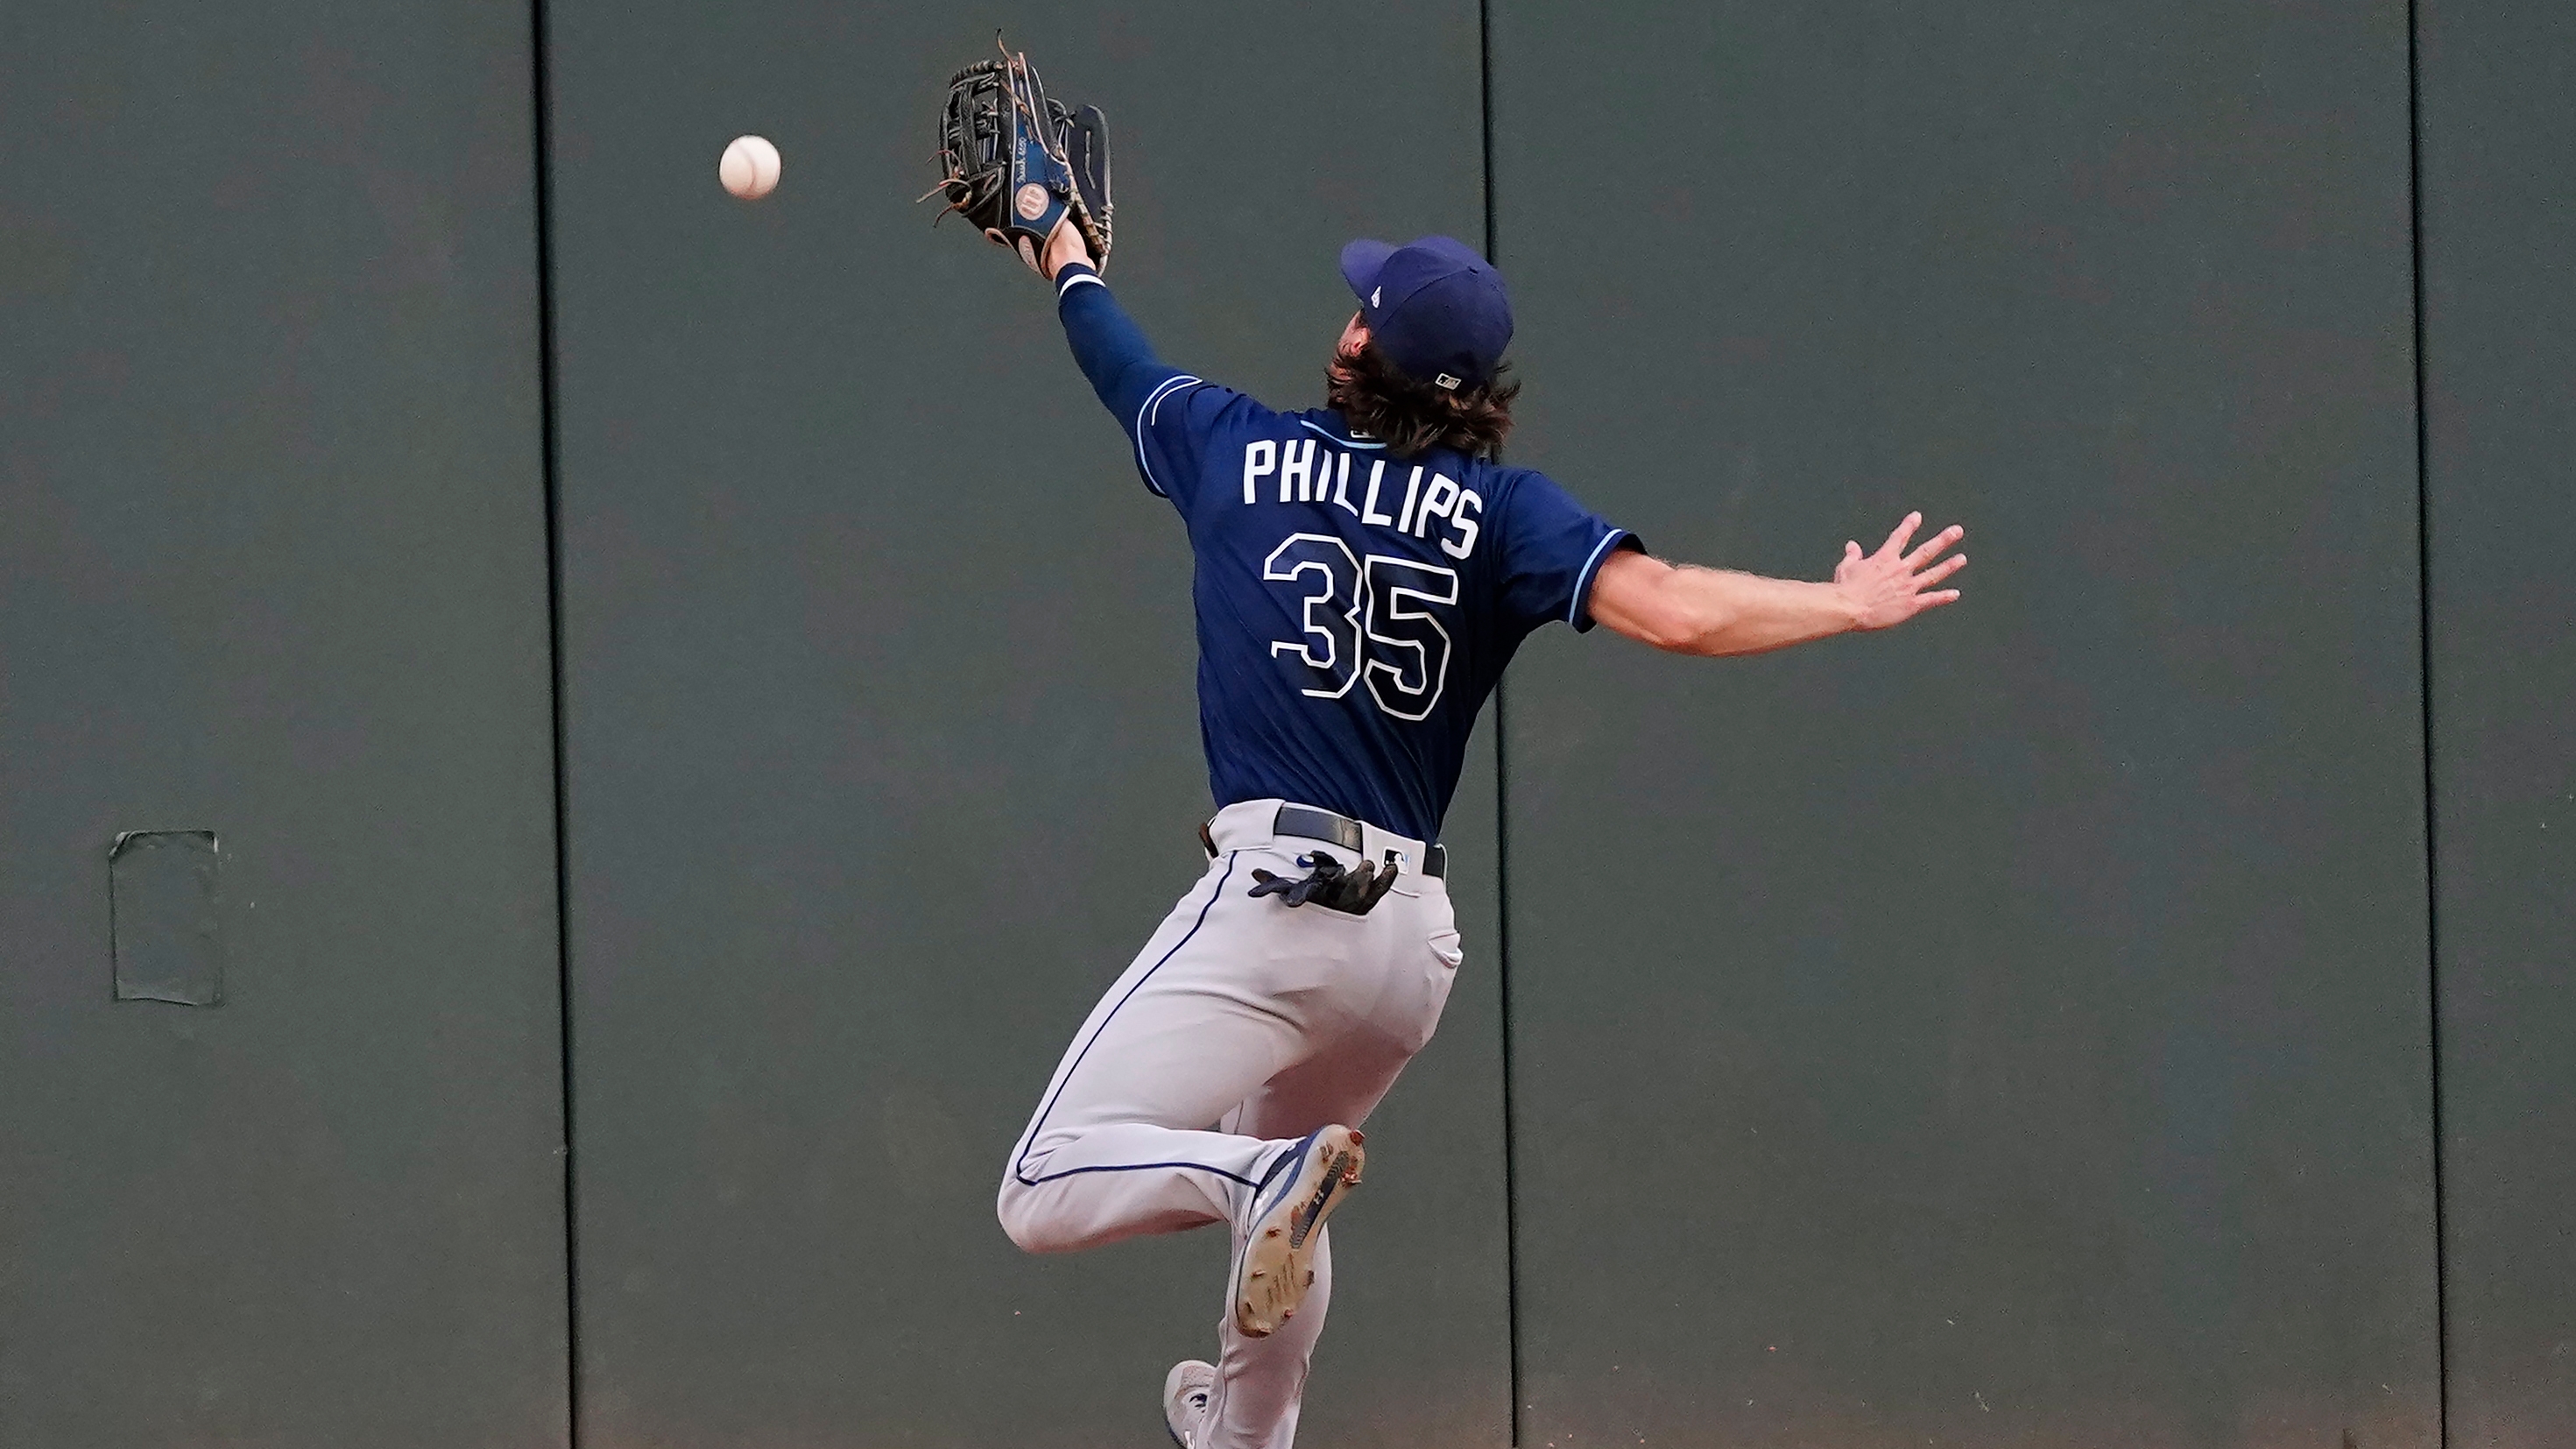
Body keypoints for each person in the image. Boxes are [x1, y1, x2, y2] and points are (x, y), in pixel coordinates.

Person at [993, 217, 1964, 1449]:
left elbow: (1117, 360)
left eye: (1359, 308)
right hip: (1406, 944)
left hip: (1278, 898)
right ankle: (1245, 1431)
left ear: (1362, 345)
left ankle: (1257, 1184)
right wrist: (1842, 601)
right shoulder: (1501, 513)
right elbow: (1673, 615)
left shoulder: (1232, 445)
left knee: (1047, 1183)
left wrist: (1060, 255)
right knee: (1291, 1168)